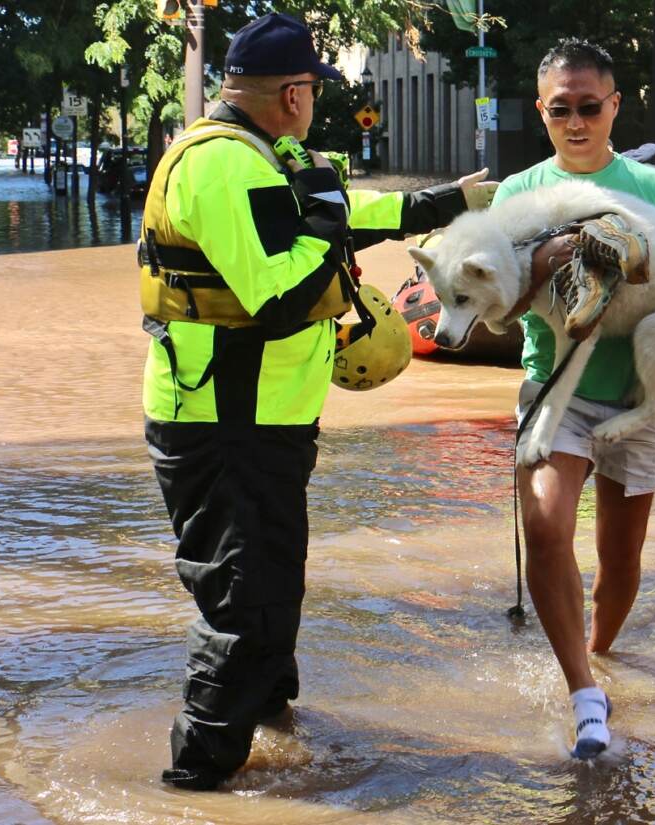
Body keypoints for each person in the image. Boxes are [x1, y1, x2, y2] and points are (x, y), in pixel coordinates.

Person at [139, 12, 495, 791]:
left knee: (274, 594)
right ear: (293, 92)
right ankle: (195, 786)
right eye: (312, 89)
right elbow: (281, 290)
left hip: (266, 422)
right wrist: (328, 218)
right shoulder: (223, 168)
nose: (316, 103)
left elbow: (335, 216)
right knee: (241, 606)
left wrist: (445, 203)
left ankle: (275, 751)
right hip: (222, 422)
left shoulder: (271, 155)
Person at [491, 38, 655, 760]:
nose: (575, 121)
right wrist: (542, 263)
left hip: (638, 396)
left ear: (614, 107)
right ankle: (584, 695)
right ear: (542, 112)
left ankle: (597, 654)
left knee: (621, 564)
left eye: (588, 107)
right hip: (555, 392)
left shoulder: (654, 190)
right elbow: (498, 311)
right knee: (545, 528)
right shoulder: (518, 195)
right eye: (560, 109)